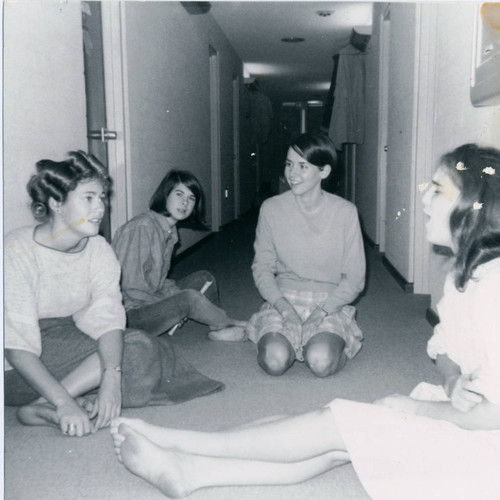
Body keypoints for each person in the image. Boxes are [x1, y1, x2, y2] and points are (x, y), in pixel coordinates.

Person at [110, 143, 500, 499]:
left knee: (337, 422)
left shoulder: (495, 289)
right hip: (463, 415)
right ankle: (191, 472)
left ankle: (179, 444)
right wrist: (452, 379)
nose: (422, 195)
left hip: (487, 456)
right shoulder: (465, 276)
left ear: (469, 205)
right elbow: (445, 345)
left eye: (436, 188)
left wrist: (412, 410)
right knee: (335, 442)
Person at [4, 152, 224, 438]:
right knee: (139, 351)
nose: (101, 208)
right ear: (56, 203)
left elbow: (107, 318)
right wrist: (66, 402)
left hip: (69, 340)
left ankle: (43, 404)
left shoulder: (97, 248)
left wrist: (111, 376)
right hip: (17, 365)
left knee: (139, 347)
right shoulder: (16, 250)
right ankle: (59, 400)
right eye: (89, 198)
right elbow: (17, 347)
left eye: (103, 197)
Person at [246, 131, 365, 377]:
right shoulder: (271, 209)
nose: (292, 174)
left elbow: (354, 278)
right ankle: (263, 329)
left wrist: (320, 313)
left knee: (321, 362)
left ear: (324, 172)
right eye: (289, 164)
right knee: (274, 361)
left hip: (328, 302)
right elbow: (262, 268)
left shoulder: (346, 213)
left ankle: (329, 340)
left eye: (303, 166)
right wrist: (285, 310)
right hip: (283, 298)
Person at [111, 169, 247, 341]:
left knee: (205, 278)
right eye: (179, 194)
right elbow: (130, 287)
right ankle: (226, 323)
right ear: (165, 194)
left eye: (191, 198)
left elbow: (156, 281)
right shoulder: (142, 227)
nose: (185, 203)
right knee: (188, 298)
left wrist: (172, 297)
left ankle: (216, 327)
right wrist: (173, 301)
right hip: (129, 315)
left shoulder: (168, 230)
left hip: (146, 300)